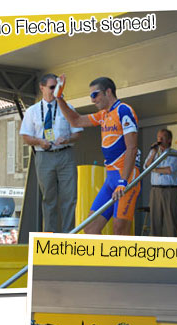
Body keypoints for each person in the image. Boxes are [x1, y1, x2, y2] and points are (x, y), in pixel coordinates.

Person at [56, 75, 140, 235]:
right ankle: (103, 261)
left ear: (108, 92)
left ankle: (124, 261)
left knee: (120, 230)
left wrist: (123, 182)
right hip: (110, 178)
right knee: (90, 229)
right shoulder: (103, 115)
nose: (93, 100)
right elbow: (76, 121)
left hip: (127, 177)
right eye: (91, 96)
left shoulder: (123, 110)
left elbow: (132, 148)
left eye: (95, 95)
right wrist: (59, 98)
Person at [19, 73, 82, 233]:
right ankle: (49, 235)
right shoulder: (32, 111)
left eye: (57, 87)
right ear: (42, 88)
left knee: (70, 197)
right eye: (52, 87)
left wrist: (67, 139)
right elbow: (25, 137)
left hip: (65, 155)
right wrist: (40, 142)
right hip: (43, 156)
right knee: (49, 199)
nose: (55, 91)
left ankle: (69, 235)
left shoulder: (67, 108)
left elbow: (78, 133)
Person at [144, 128, 177, 237]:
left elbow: (169, 170)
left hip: (170, 191)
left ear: (169, 140)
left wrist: (153, 169)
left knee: (171, 223)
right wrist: (153, 153)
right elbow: (146, 167)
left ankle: (173, 249)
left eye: (162, 137)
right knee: (155, 222)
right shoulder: (153, 153)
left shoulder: (175, 154)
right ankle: (156, 249)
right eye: (158, 137)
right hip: (155, 190)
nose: (159, 140)